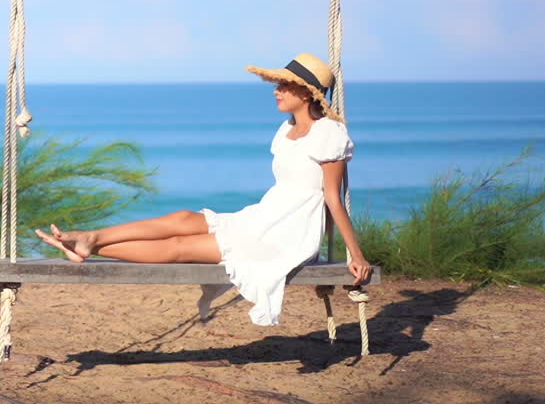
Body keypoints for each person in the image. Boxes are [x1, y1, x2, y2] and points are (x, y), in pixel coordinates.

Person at [36, 52, 372, 326]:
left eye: (284, 84)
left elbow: (332, 197)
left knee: (180, 246)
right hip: (265, 215)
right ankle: (92, 238)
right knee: (183, 218)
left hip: (288, 232)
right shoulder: (285, 130)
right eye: (278, 83)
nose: (276, 90)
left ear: (306, 92)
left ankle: (91, 246)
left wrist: (355, 255)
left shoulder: (330, 133)